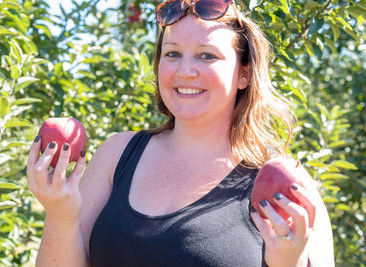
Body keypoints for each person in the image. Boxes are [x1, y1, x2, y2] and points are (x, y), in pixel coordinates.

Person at [27, 1, 335, 266]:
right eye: (172, 54)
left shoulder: (282, 184)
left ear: (244, 74)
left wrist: (290, 262)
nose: (185, 71)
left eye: (206, 56)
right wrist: (60, 213)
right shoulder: (117, 155)